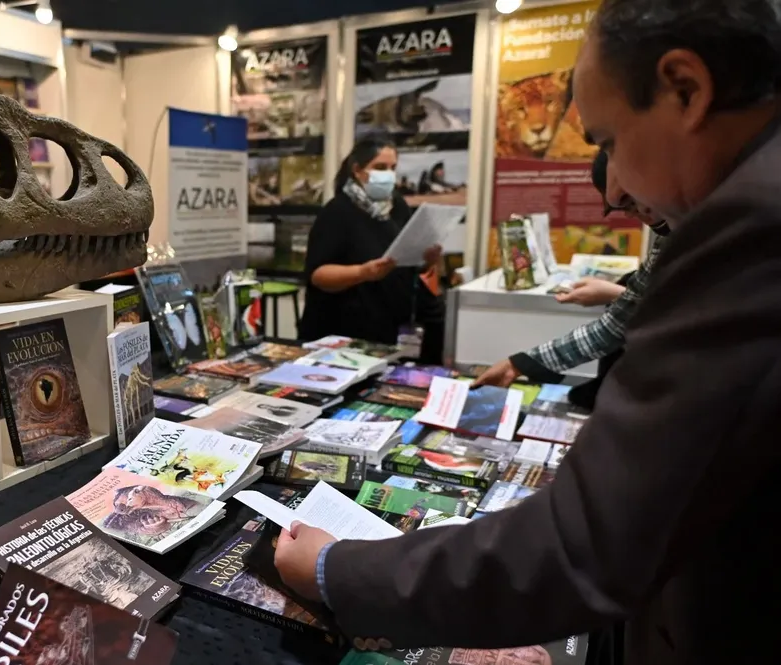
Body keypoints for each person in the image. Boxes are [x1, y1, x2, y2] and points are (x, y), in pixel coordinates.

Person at [275, 2, 781, 663]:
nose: (617, 187)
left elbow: (584, 543)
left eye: (605, 142)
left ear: (685, 89)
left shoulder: (752, 228)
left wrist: (334, 569)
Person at [473, 150, 670, 409]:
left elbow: (617, 325)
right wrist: (519, 364)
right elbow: (635, 309)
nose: (636, 212)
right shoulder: (669, 230)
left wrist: (519, 364)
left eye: (630, 201)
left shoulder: (698, 227)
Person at [298, 137, 444, 363]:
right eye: (380, 167)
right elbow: (318, 275)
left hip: (391, 332)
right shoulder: (337, 212)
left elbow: (406, 256)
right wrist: (363, 273)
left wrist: (426, 259)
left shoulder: (398, 206)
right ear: (357, 170)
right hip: (346, 336)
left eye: (392, 168)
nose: (388, 174)